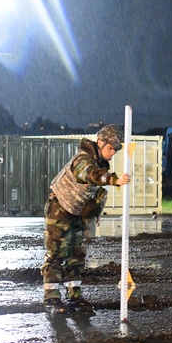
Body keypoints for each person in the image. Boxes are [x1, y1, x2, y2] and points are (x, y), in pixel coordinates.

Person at [41, 125, 131, 313]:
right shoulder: (83, 160)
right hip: (59, 209)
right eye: (110, 148)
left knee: (77, 256)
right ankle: (51, 299)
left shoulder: (99, 163)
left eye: (115, 150)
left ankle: (74, 297)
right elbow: (91, 175)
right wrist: (114, 180)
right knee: (57, 253)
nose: (112, 153)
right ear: (100, 143)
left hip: (77, 213)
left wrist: (94, 213)